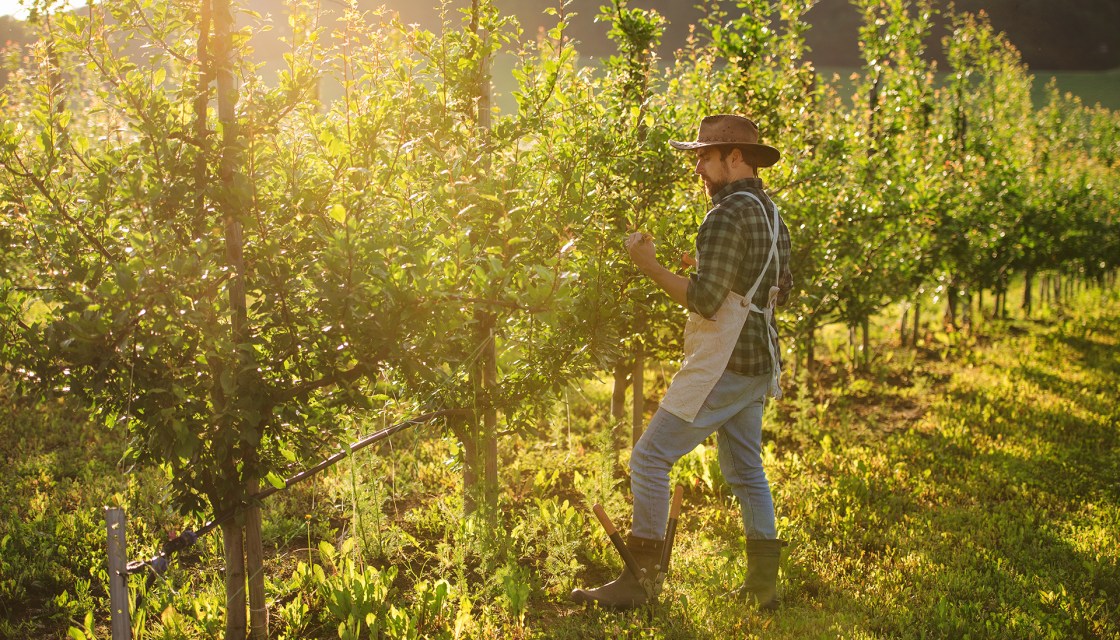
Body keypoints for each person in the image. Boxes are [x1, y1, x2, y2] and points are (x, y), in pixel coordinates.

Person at [571, 114, 793, 611]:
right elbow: (781, 288)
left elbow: (706, 301)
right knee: (747, 471)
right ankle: (763, 588)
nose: (698, 166)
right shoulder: (771, 213)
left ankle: (641, 580)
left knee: (649, 458)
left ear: (735, 157)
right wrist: (711, 272)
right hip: (759, 360)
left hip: (724, 364)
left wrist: (650, 267)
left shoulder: (724, 216)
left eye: (705, 156)